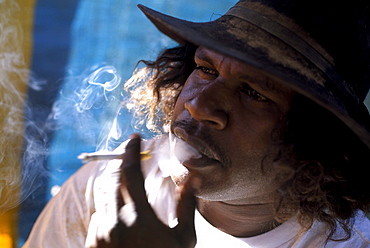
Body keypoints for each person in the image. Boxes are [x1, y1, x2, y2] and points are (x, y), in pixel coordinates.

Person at [23, 0, 370, 247]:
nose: (200, 104)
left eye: (254, 93)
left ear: (317, 148)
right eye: (206, 69)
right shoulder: (107, 191)